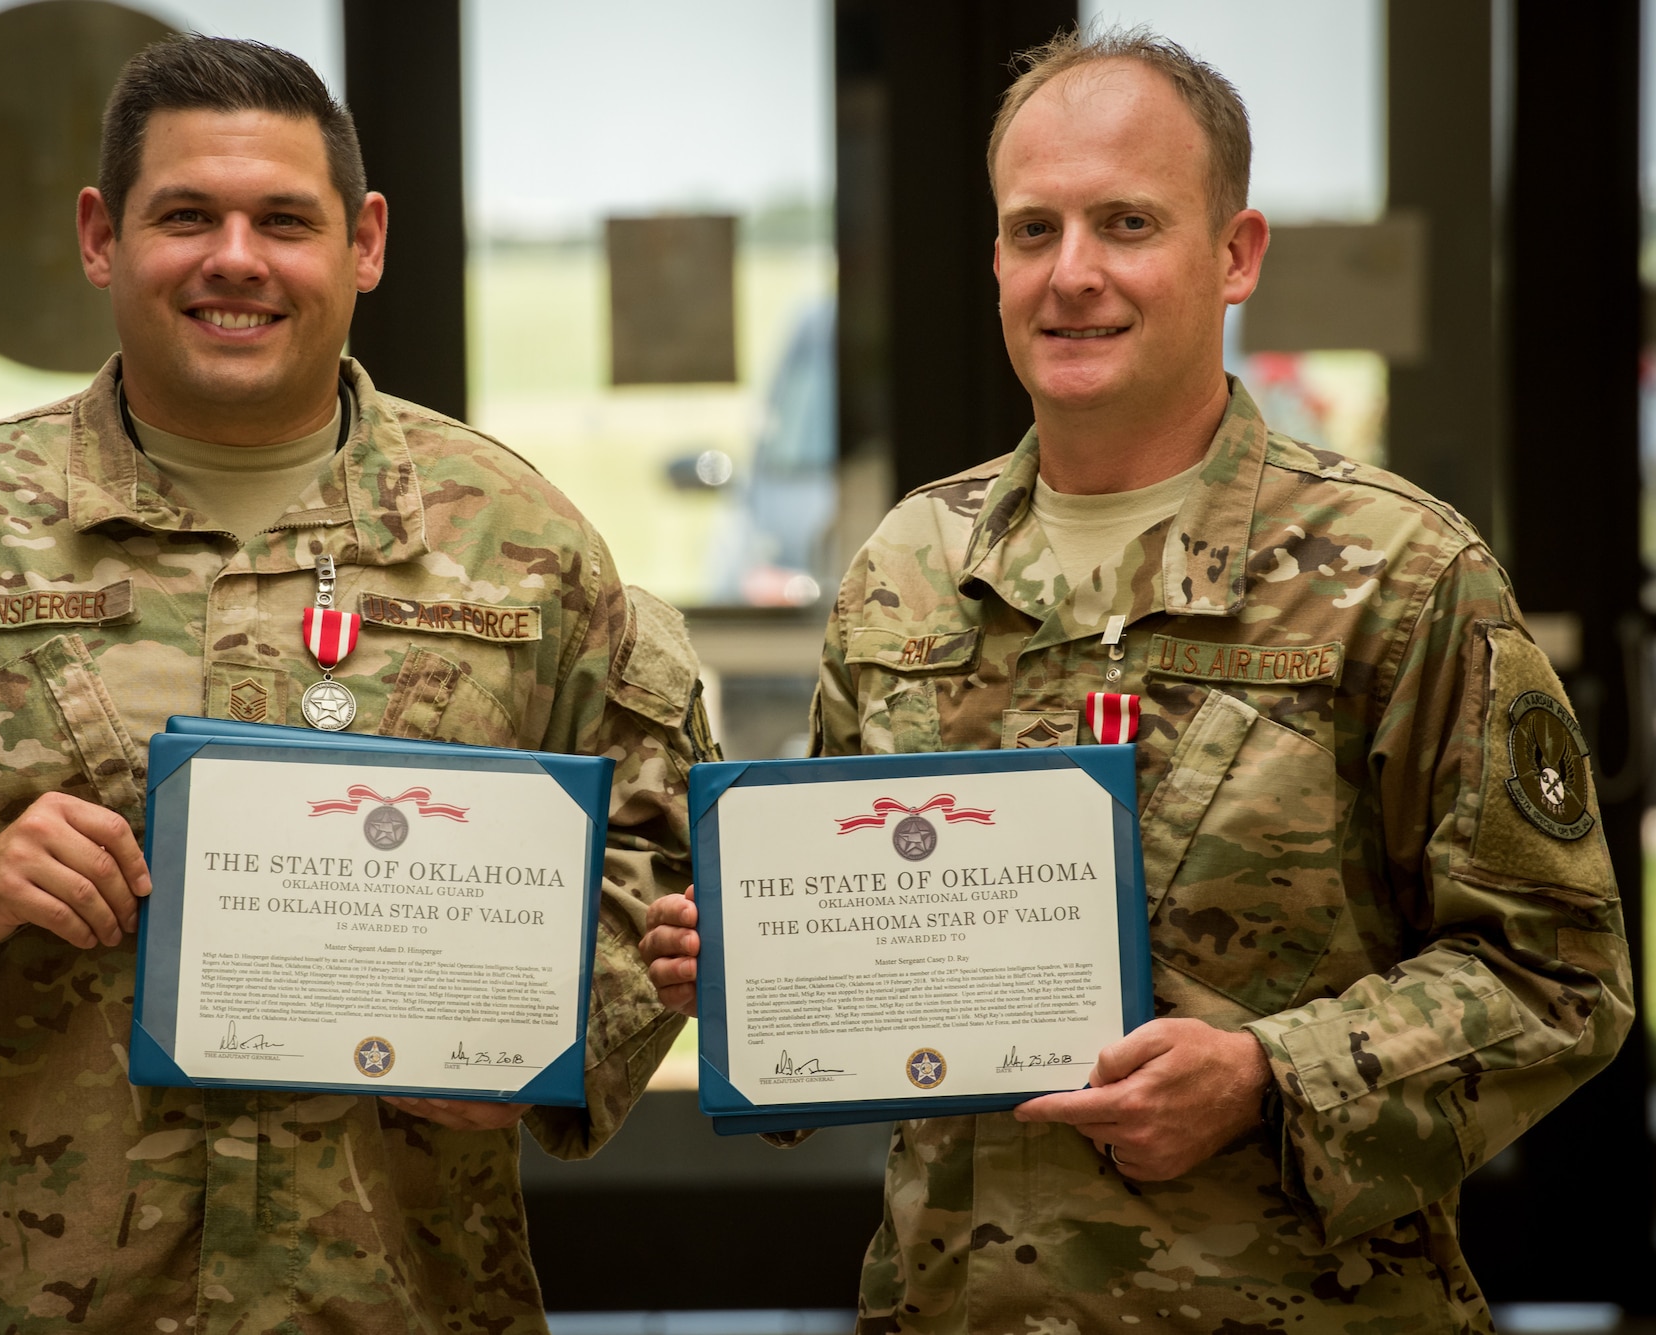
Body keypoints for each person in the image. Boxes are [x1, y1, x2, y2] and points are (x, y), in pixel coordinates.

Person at [0, 36, 710, 1332]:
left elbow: (664, 862)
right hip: (29, 1299)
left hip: (398, 1298)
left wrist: (544, 1042)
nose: (235, 258)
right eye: (186, 216)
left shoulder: (526, 547)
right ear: (103, 236)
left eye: (283, 218)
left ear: (365, 242)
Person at [640, 29, 1630, 1332]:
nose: (1075, 274)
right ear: (994, 258)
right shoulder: (911, 567)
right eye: (1033, 228)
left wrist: (1270, 1077)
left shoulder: (1398, 571)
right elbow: (872, 943)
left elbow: (1561, 978)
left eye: (1126, 222)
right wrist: (756, 967)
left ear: (1236, 255)